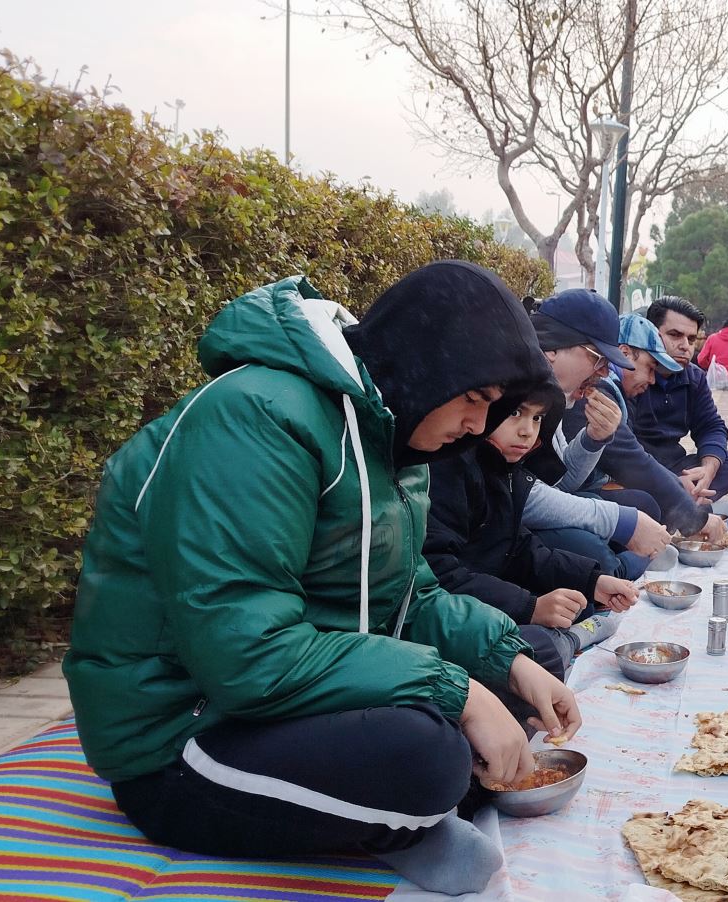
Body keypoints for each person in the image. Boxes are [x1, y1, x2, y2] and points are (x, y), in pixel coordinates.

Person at [64, 262, 582, 896]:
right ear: (429, 366)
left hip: (284, 695)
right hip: (184, 736)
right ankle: (401, 819)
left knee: (536, 658)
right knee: (428, 755)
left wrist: (507, 659)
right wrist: (460, 693)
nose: (479, 426)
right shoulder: (252, 418)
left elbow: (410, 595)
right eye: (476, 399)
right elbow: (248, 654)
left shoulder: (390, 434)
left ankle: (399, 799)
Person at [424, 381, 639, 680]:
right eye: (515, 413)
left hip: (484, 593)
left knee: (578, 601)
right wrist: (530, 607)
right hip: (447, 614)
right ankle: (570, 641)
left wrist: (592, 581)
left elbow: (519, 547)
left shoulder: (502, 470)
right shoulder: (449, 469)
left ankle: (574, 629)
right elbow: (441, 575)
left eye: (537, 418)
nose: (527, 431)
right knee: (538, 647)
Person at [530, 290, 728, 545]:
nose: (604, 372)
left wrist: (593, 440)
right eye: (598, 359)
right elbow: (522, 496)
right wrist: (624, 520)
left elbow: (559, 481)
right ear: (552, 349)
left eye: (692, 338)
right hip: (516, 531)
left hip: (558, 503)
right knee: (628, 523)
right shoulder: (533, 395)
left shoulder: (564, 394)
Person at [631, 296, 728, 502]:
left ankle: (686, 505)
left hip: (675, 467)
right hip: (634, 469)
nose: (685, 346)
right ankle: (688, 507)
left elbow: (711, 426)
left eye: (691, 339)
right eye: (675, 335)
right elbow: (621, 448)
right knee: (636, 496)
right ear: (652, 333)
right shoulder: (631, 376)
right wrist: (671, 483)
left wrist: (708, 470)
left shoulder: (694, 378)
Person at [697, 317, 728, 381]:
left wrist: (710, 367)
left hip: (714, 378)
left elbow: (701, 359)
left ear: (722, 327)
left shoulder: (712, 338)